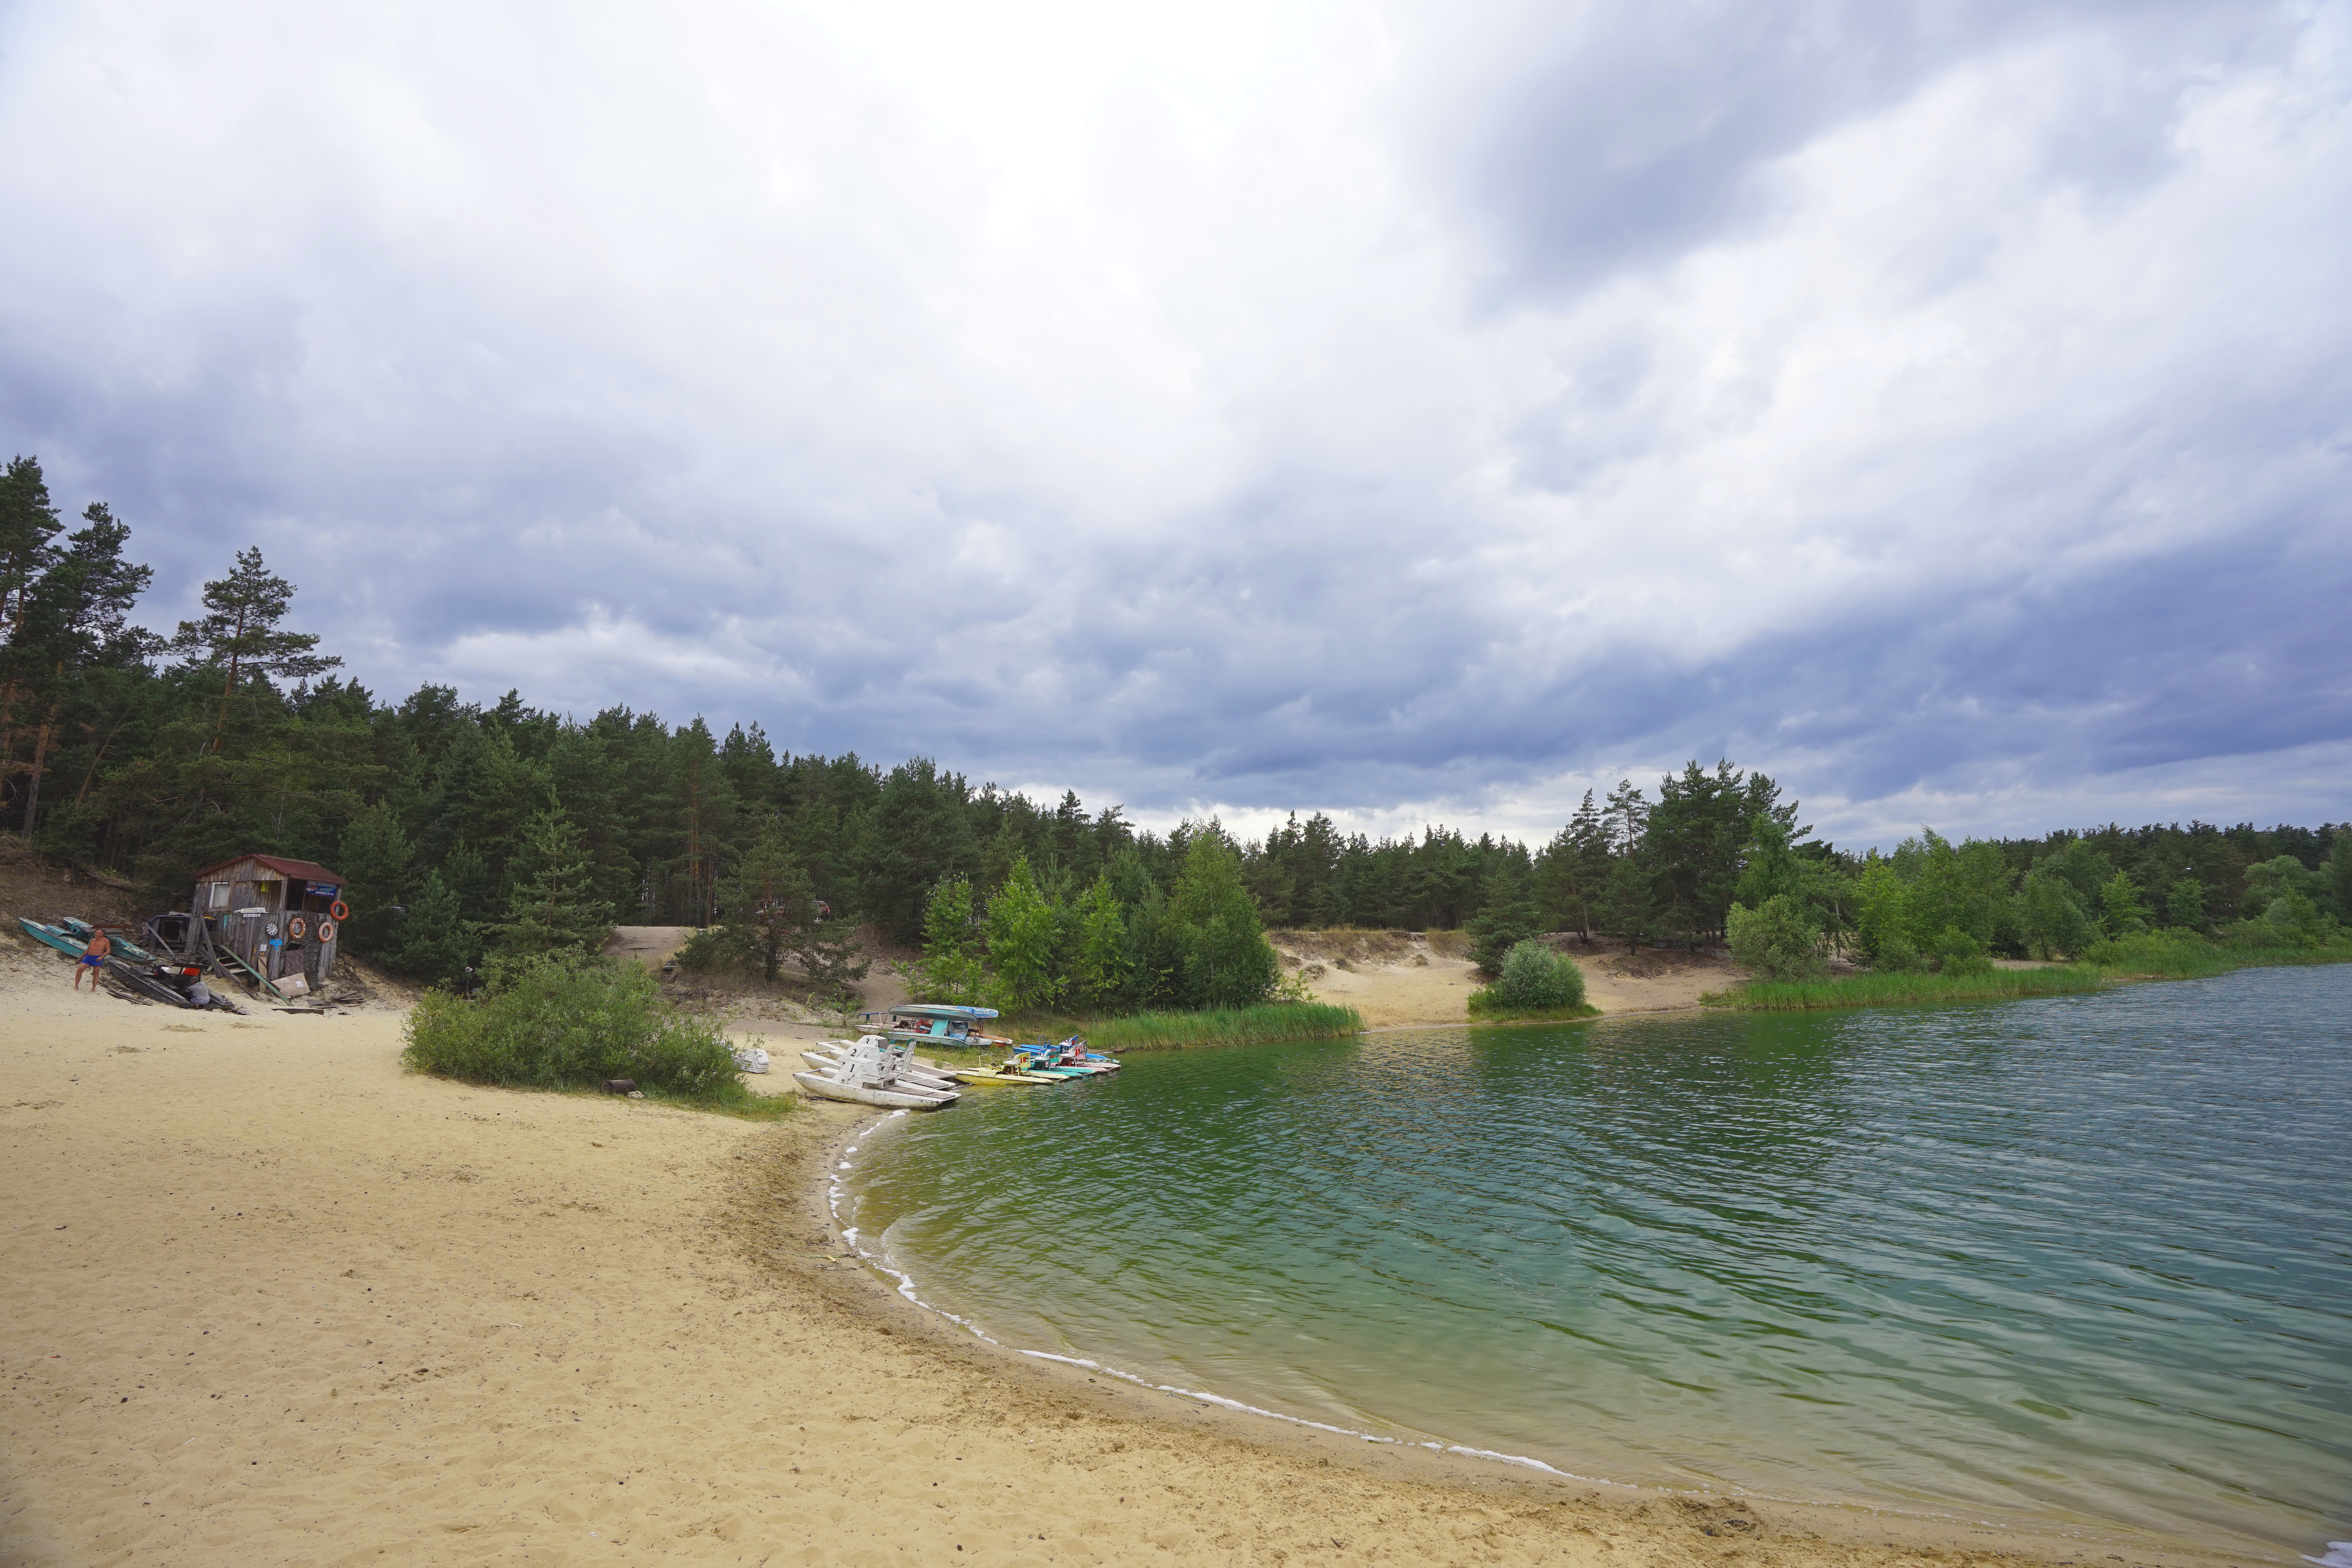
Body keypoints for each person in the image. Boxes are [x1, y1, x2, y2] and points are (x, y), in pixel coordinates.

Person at [74, 927, 111, 992]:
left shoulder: (105, 940)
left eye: (97, 933)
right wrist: (80, 958)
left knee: (96, 973)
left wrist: (102, 957)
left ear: (102, 934)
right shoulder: (93, 940)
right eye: (96, 932)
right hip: (89, 957)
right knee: (80, 970)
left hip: (97, 958)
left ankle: (93, 989)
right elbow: (88, 950)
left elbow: (109, 951)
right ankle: (76, 986)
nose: (95, 933)